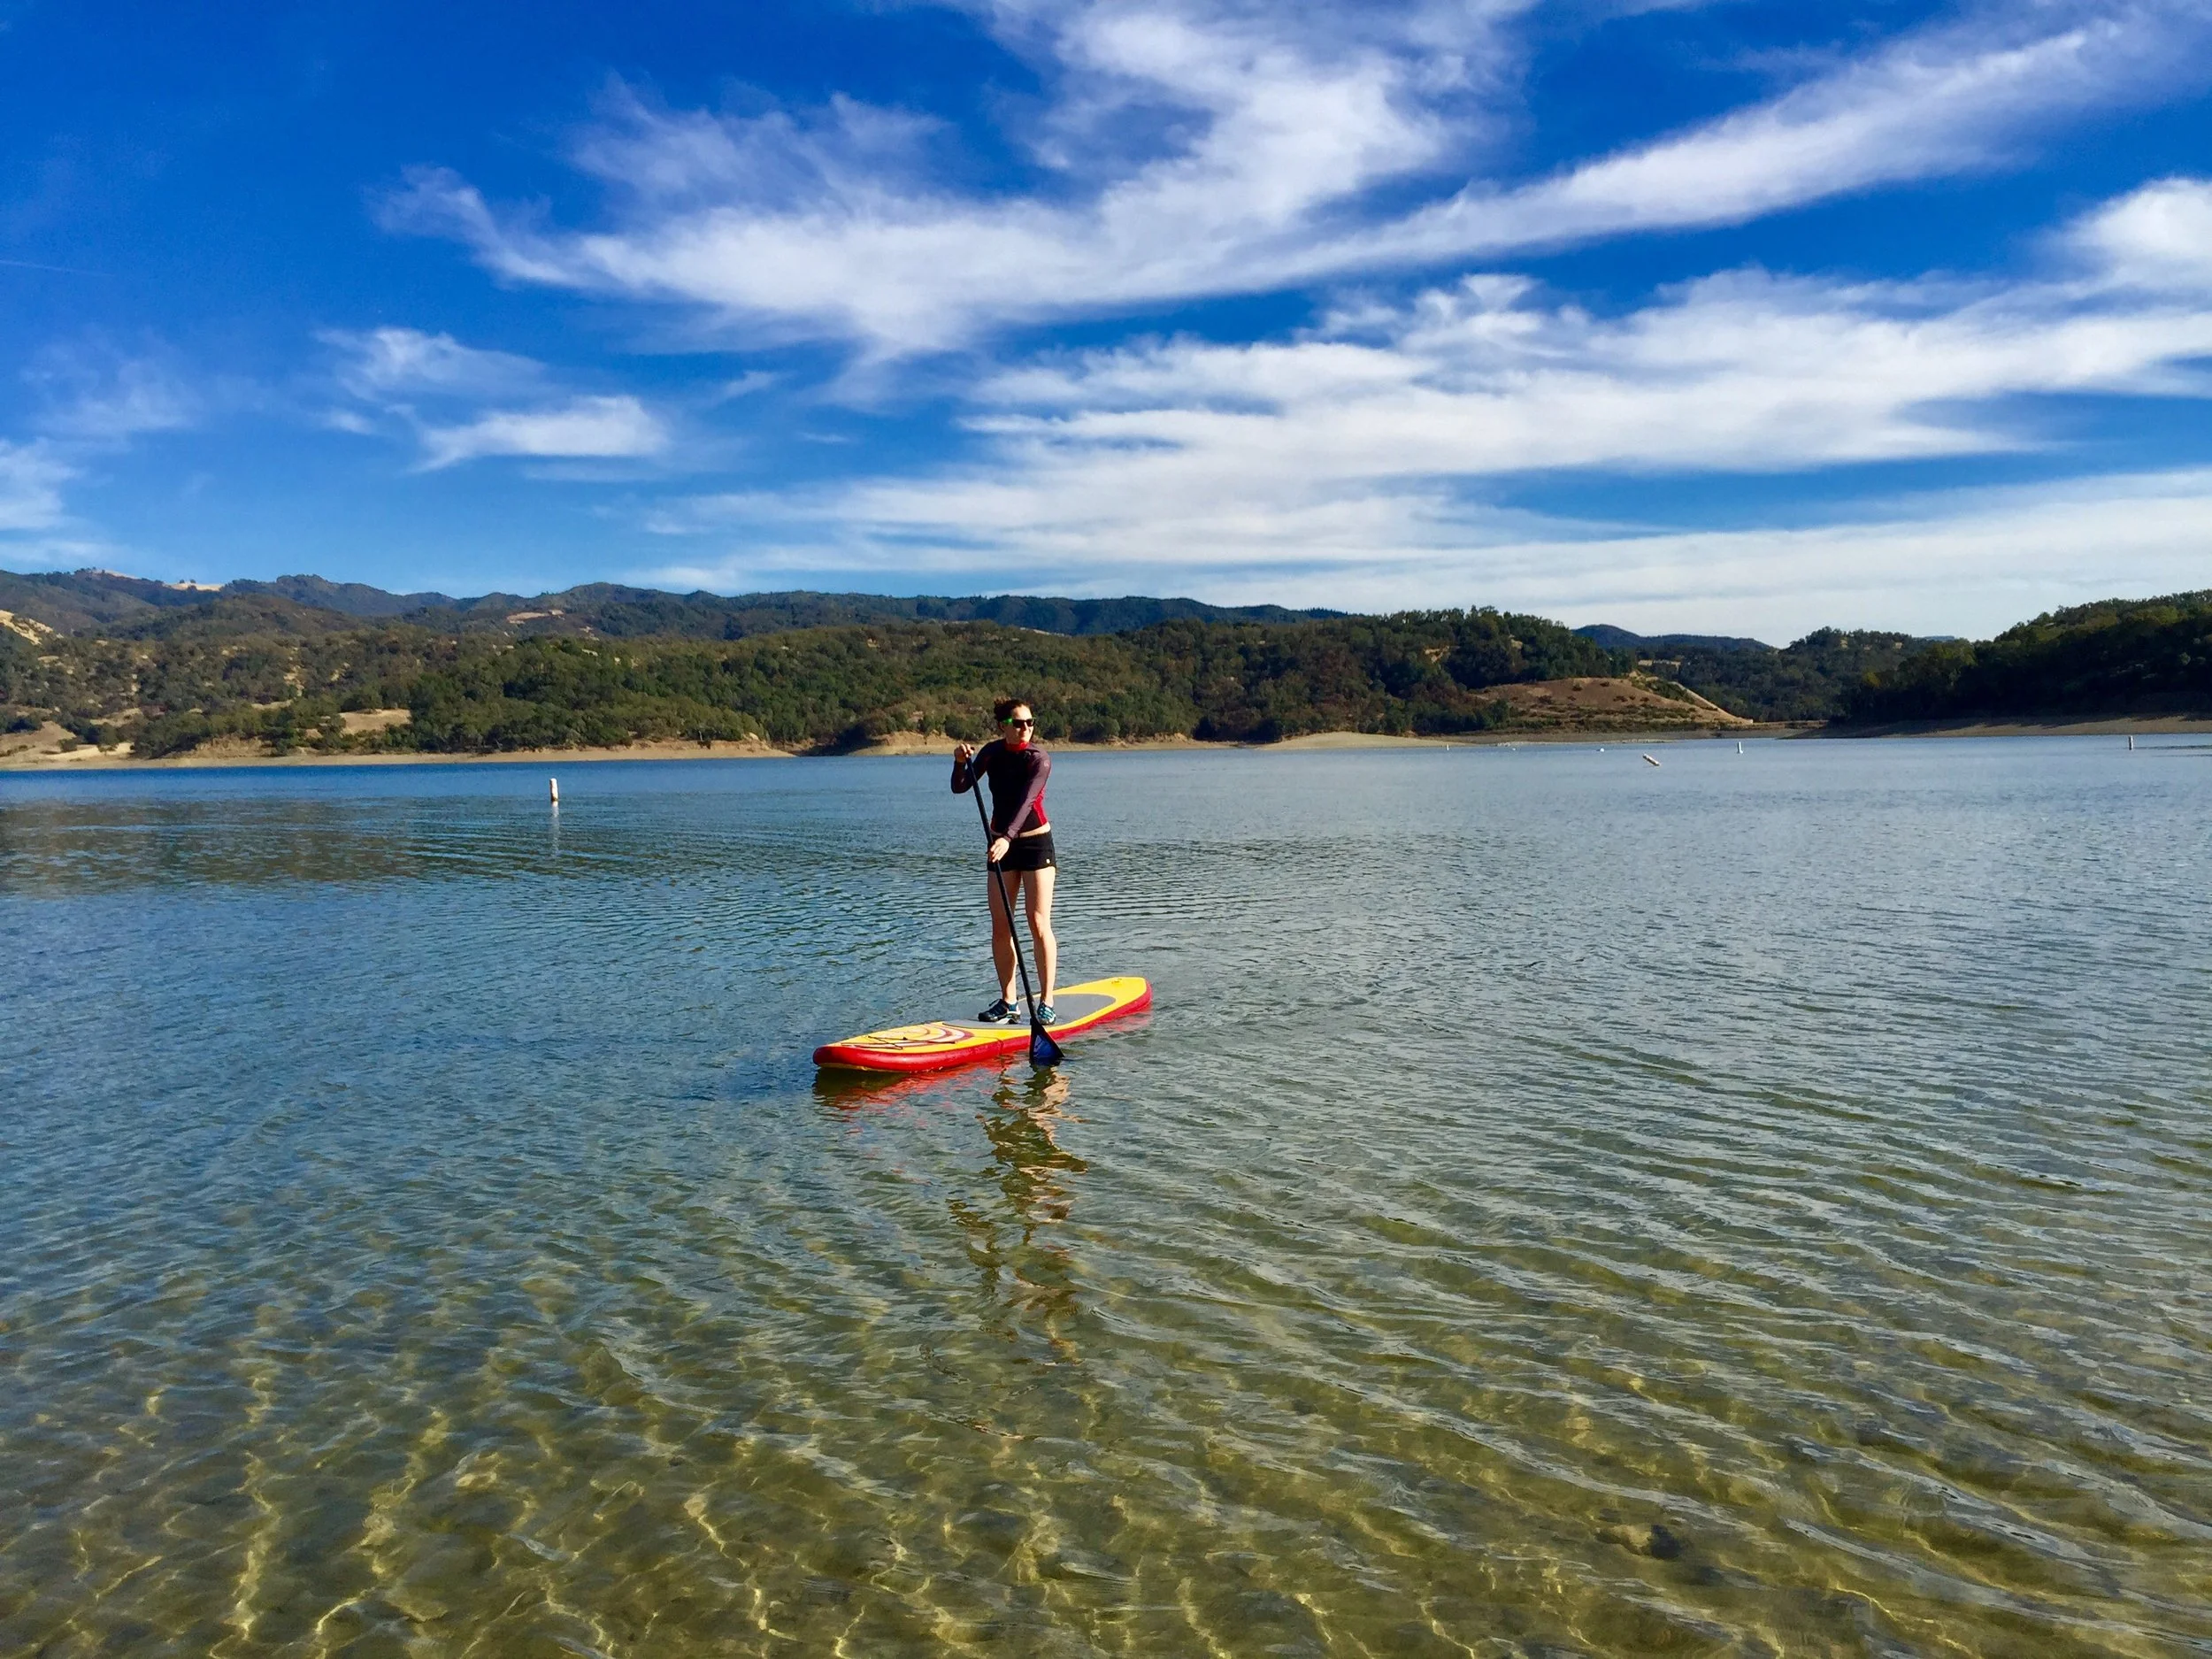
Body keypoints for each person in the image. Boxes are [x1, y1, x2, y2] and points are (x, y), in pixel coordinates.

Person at [952, 696, 1058, 1025]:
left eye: (1030, 722)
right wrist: (959, 762)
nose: (1025, 728)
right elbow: (961, 787)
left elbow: (1027, 803)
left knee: (1037, 922)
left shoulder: (1038, 759)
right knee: (1001, 925)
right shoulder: (992, 753)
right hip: (1001, 844)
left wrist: (1007, 838)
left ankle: (1047, 1001)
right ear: (1003, 726)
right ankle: (1009, 1001)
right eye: (1018, 722)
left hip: (1035, 844)